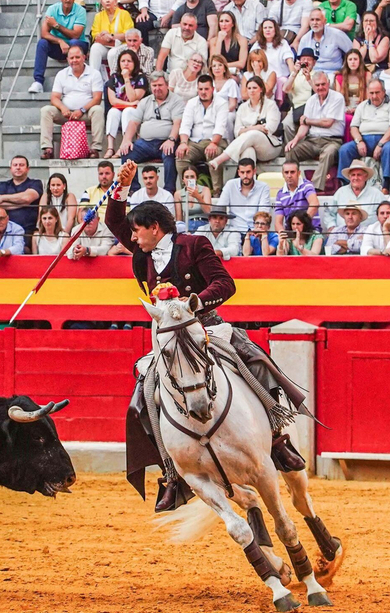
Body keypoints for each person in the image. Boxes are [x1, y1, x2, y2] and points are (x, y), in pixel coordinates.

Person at [105, 158, 309, 511]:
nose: (132, 238)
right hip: (168, 336)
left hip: (205, 326)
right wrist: (120, 186)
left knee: (253, 361)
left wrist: (193, 304)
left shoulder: (194, 245)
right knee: (145, 394)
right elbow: (113, 220)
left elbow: (225, 284)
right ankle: (171, 471)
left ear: (154, 228)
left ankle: (276, 439)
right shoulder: (145, 251)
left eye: (138, 232)